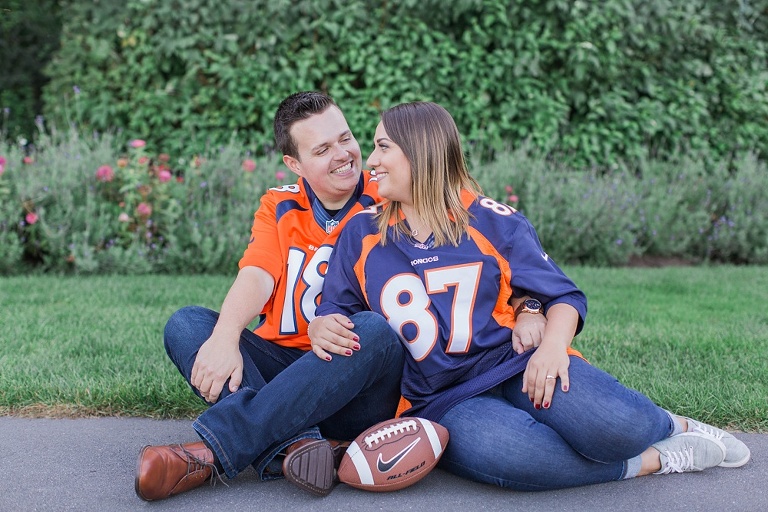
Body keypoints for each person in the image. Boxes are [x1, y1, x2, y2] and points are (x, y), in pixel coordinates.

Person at [309, 101, 751, 491]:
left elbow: (561, 295)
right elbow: (337, 313)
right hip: (443, 398)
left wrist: (552, 346)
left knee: (619, 425)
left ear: (422, 151)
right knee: (519, 457)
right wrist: (320, 323)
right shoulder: (362, 233)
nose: (371, 161)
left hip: (515, 363)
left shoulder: (490, 220)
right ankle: (655, 460)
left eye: (383, 147)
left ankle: (676, 425)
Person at [134, 91, 549, 500]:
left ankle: (212, 452)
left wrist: (529, 305)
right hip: (282, 366)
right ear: (294, 164)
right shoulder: (279, 205)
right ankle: (299, 447)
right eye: (322, 149)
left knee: (371, 330)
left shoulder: (393, 187)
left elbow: (483, 244)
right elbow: (257, 275)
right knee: (188, 324)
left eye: (345, 138)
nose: (344, 155)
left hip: (358, 374)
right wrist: (225, 337)